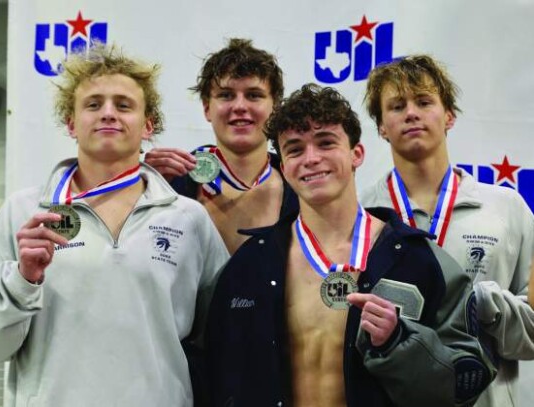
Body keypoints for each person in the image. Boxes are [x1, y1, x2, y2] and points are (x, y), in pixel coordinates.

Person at [206, 84, 495, 407]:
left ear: (357, 154)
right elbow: (214, 375)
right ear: (283, 167)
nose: (312, 159)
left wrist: (400, 345)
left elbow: (468, 379)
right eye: (295, 149)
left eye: (326, 143)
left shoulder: (421, 260)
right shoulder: (249, 265)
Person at [0, 45, 229, 407]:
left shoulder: (187, 217)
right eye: (92, 104)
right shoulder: (25, 212)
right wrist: (23, 280)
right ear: (71, 123)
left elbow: (216, 338)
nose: (107, 113)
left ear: (148, 124)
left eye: (123, 105)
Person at [361, 55, 534, 407]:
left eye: (424, 102)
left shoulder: (507, 208)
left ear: (449, 116)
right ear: (381, 126)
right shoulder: (361, 215)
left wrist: (488, 308)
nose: (411, 113)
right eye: (397, 106)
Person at [144, 38, 297, 254]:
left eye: (254, 95)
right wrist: (144, 194)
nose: (240, 106)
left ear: (275, 107)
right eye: (226, 95)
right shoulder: (171, 180)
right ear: (207, 108)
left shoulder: (300, 186)